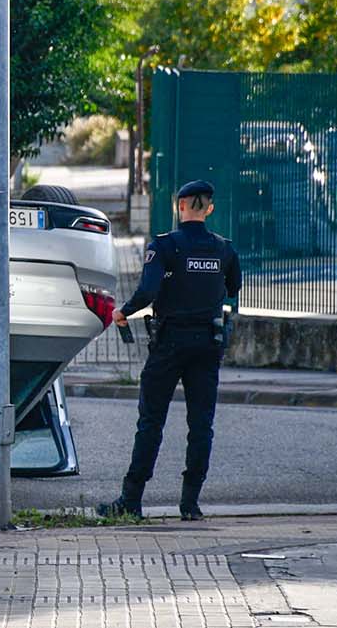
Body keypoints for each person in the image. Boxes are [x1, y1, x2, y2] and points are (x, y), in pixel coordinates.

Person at [99, 179, 241, 521]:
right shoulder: (224, 249)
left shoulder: (165, 246)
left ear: (180, 206)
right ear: (209, 208)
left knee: (151, 422)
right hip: (207, 345)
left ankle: (131, 500)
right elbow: (233, 287)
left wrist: (123, 311)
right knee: (201, 425)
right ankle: (190, 504)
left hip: (169, 343)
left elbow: (148, 292)